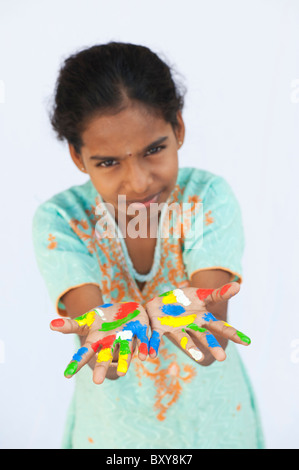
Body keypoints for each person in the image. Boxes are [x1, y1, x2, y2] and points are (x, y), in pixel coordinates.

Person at [32, 41, 264, 449]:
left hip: (214, 429)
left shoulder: (206, 198)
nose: (138, 182)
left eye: (154, 150)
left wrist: (186, 316)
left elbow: (208, 346)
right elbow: (106, 358)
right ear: (77, 156)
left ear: (179, 128)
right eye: (108, 162)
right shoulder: (61, 222)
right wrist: (107, 335)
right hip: (109, 437)